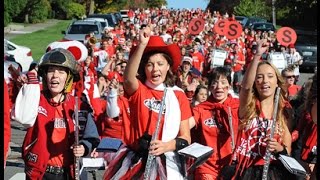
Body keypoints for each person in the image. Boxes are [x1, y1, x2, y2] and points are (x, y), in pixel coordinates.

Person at [103, 27, 192, 179]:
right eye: (150, 64)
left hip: (167, 164)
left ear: (168, 66)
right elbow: (128, 79)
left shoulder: (178, 96)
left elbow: (186, 138)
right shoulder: (139, 90)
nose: (155, 69)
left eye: (160, 64)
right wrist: (142, 45)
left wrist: (166, 146)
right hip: (136, 162)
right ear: (144, 67)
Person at [11, 48, 100, 179]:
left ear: (69, 77)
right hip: (40, 173)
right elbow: (22, 117)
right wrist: (30, 80)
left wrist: (84, 148)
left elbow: (92, 137)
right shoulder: (35, 98)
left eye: (61, 71)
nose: (55, 75)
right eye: (51, 71)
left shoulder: (79, 105)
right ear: (45, 75)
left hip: (70, 173)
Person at [230, 39, 294, 179]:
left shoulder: (284, 113)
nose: (265, 81)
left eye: (270, 76)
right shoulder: (248, 108)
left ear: (277, 81)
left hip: (273, 172)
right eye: (259, 77)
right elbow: (246, 88)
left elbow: (287, 152)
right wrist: (257, 56)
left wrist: (279, 149)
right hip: (247, 171)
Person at [189, 66, 240, 179]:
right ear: (209, 87)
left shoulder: (238, 106)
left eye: (223, 82)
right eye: (215, 83)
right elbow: (186, 125)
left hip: (232, 166)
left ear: (229, 86)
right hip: (206, 167)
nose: (219, 87)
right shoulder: (201, 108)